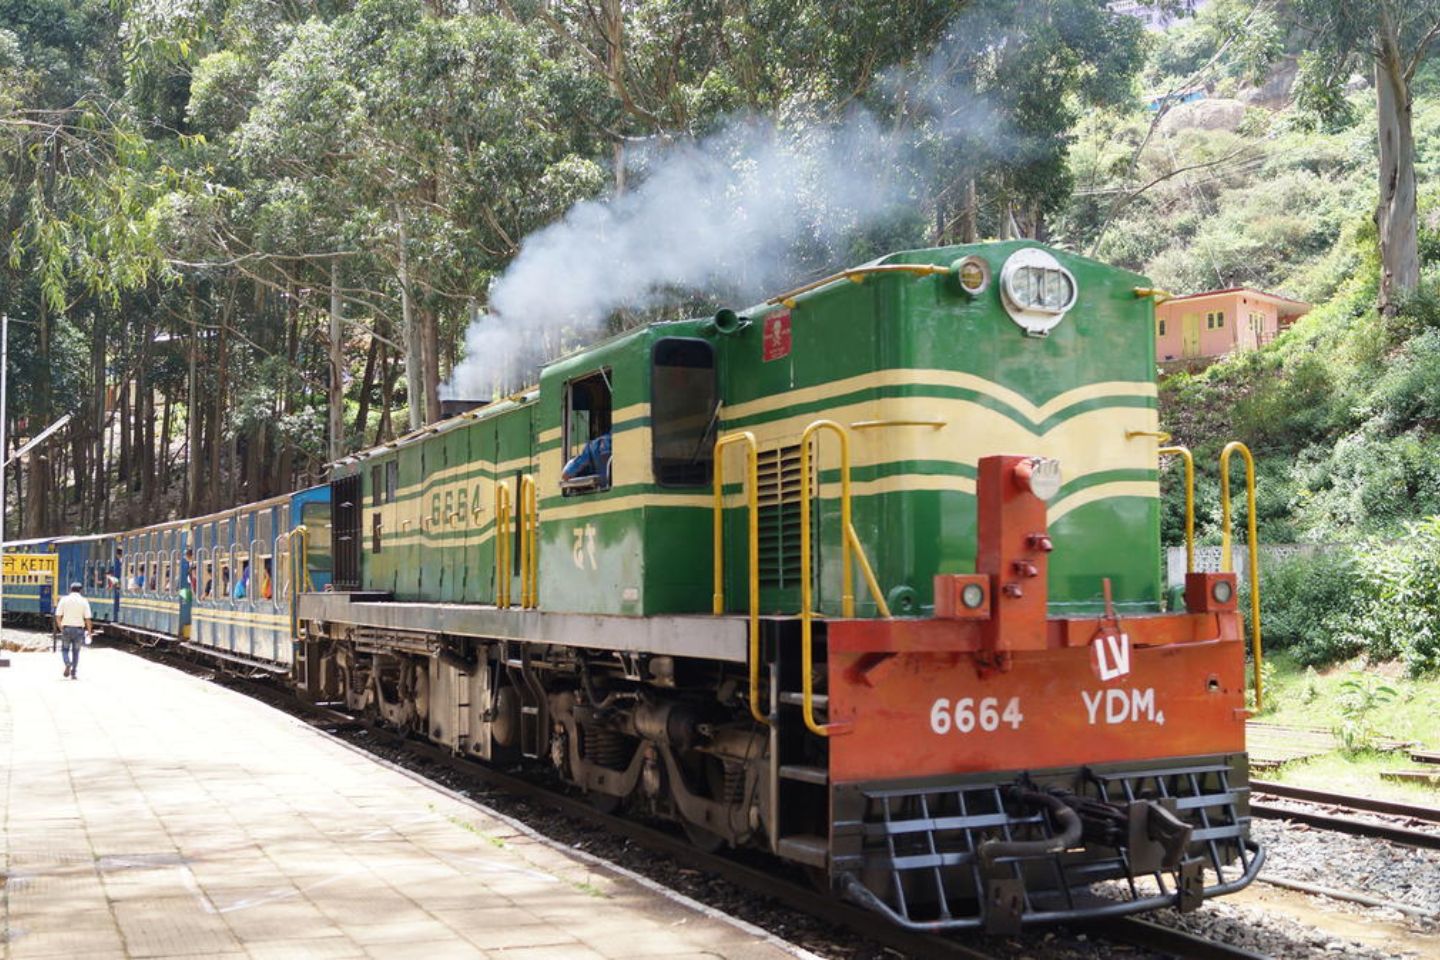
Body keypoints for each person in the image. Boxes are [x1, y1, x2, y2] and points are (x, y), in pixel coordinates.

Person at [53, 582, 94, 680]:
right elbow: (88, 618)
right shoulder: (84, 601)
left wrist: (61, 627)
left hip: (66, 628)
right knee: (76, 652)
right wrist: (89, 632)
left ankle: (67, 663)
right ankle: (74, 673)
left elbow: (58, 616)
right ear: (81, 590)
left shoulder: (64, 600)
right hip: (79, 630)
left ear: (70, 589)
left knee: (64, 650)